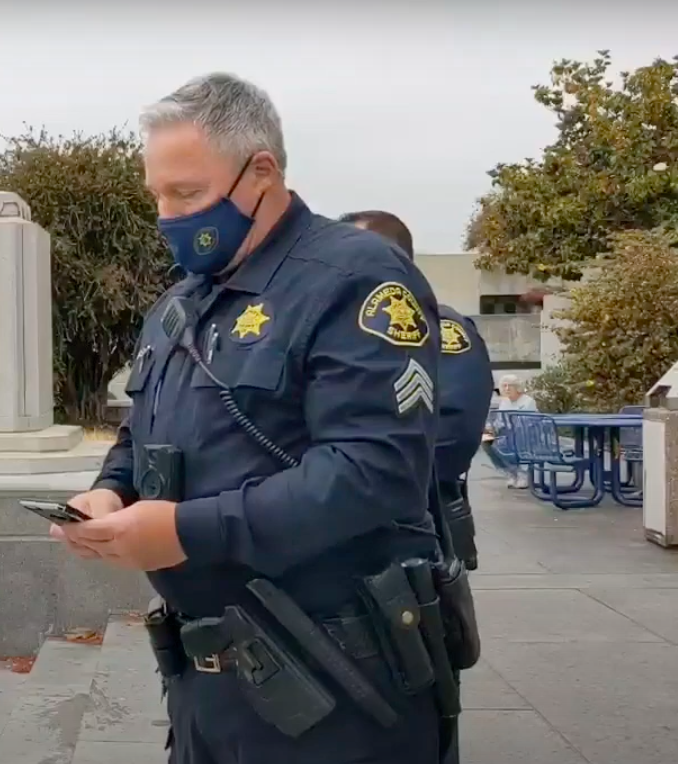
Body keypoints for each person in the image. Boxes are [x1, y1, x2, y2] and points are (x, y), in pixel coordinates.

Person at [52, 73, 446, 763]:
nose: (168, 215)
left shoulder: (353, 279)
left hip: (338, 678)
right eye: (157, 196)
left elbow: (374, 471)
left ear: (259, 171)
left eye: (187, 193)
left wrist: (182, 530)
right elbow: (140, 429)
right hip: (209, 680)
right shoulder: (181, 303)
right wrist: (111, 490)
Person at [340, 210, 493, 570]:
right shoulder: (340, 328)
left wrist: (357, 481)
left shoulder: (440, 326)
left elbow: (452, 433)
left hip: (414, 534)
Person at [484, 375, 540, 488]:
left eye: (510, 386)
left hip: (526, 436)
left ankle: (522, 473)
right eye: (504, 386)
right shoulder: (504, 402)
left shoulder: (528, 402)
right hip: (506, 435)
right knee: (486, 440)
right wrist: (491, 428)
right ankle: (509, 471)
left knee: (518, 436)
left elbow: (528, 423)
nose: (507, 388)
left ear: (518, 387)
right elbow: (499, 421)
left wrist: (506, 427)